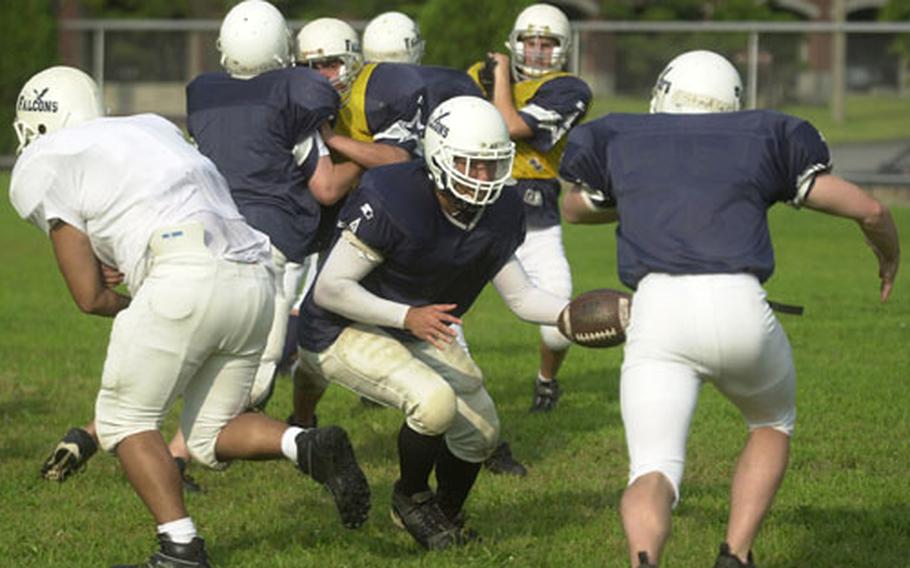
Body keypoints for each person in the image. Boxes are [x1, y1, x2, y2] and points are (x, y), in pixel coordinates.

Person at [10, 65, 371, 567]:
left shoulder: (50, 158)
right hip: (253, 273)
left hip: (183, 274)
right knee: (208, 433)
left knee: (124, 420)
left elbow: (89, 296)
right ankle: (305, 444)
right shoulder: (151, 126)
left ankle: (180, 549)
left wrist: (143, 302)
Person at [558, 50, 900, 568]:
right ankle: (735, 555)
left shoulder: (625, 137)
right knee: (771, 421)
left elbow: (575, 209)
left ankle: (644, 559)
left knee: (652, 469)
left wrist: (655, 195)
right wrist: (889, 257)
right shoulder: (763, 136)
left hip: (658, 312)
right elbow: (871, 209)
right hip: (741, 308)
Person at [297, 96, 571, 550]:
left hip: (410, 324)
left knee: (483, 431)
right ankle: (410, 496)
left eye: (491, 164)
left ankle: (444, 512)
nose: (482, 177)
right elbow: (330, 289)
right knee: (434, 403)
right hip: (340, 327)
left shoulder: (500, 210)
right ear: (440, 156)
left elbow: (521, 296)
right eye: (470, 163)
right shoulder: (394, 195)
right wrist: (407, 315)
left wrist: (570, 316)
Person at [186, 0, 359, 411]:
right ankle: (216, 440)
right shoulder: (290, 98)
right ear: (282, 49)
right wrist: (366, 164)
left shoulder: (207, 100)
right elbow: (327, 188)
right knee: (258, 369)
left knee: (208, 351)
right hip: (268, 244)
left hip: (209, 239)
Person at [290, 17, 429, 427]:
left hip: (402, 228)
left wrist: (336, 142)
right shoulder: (300, 104)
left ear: (353, 60)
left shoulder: (382, 91)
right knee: (317, 339)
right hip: (339, 232)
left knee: (437, 329)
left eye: (330, 64)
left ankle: (477, 437)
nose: (321, 76)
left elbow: (396, 157)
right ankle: (301, 423)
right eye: (311, 67)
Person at [467, 3, 592, 414]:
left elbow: (512, 125)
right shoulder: (474, 78)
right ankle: (452, 386)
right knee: (441, 310)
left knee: (561, 326)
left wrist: (500, 76)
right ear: (515, 43)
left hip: (535, 220)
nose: (537, 50)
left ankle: (546, 381)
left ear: (563, 49)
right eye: (530, 41)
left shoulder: (568, 88)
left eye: (547, 43)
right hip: (474, 212)